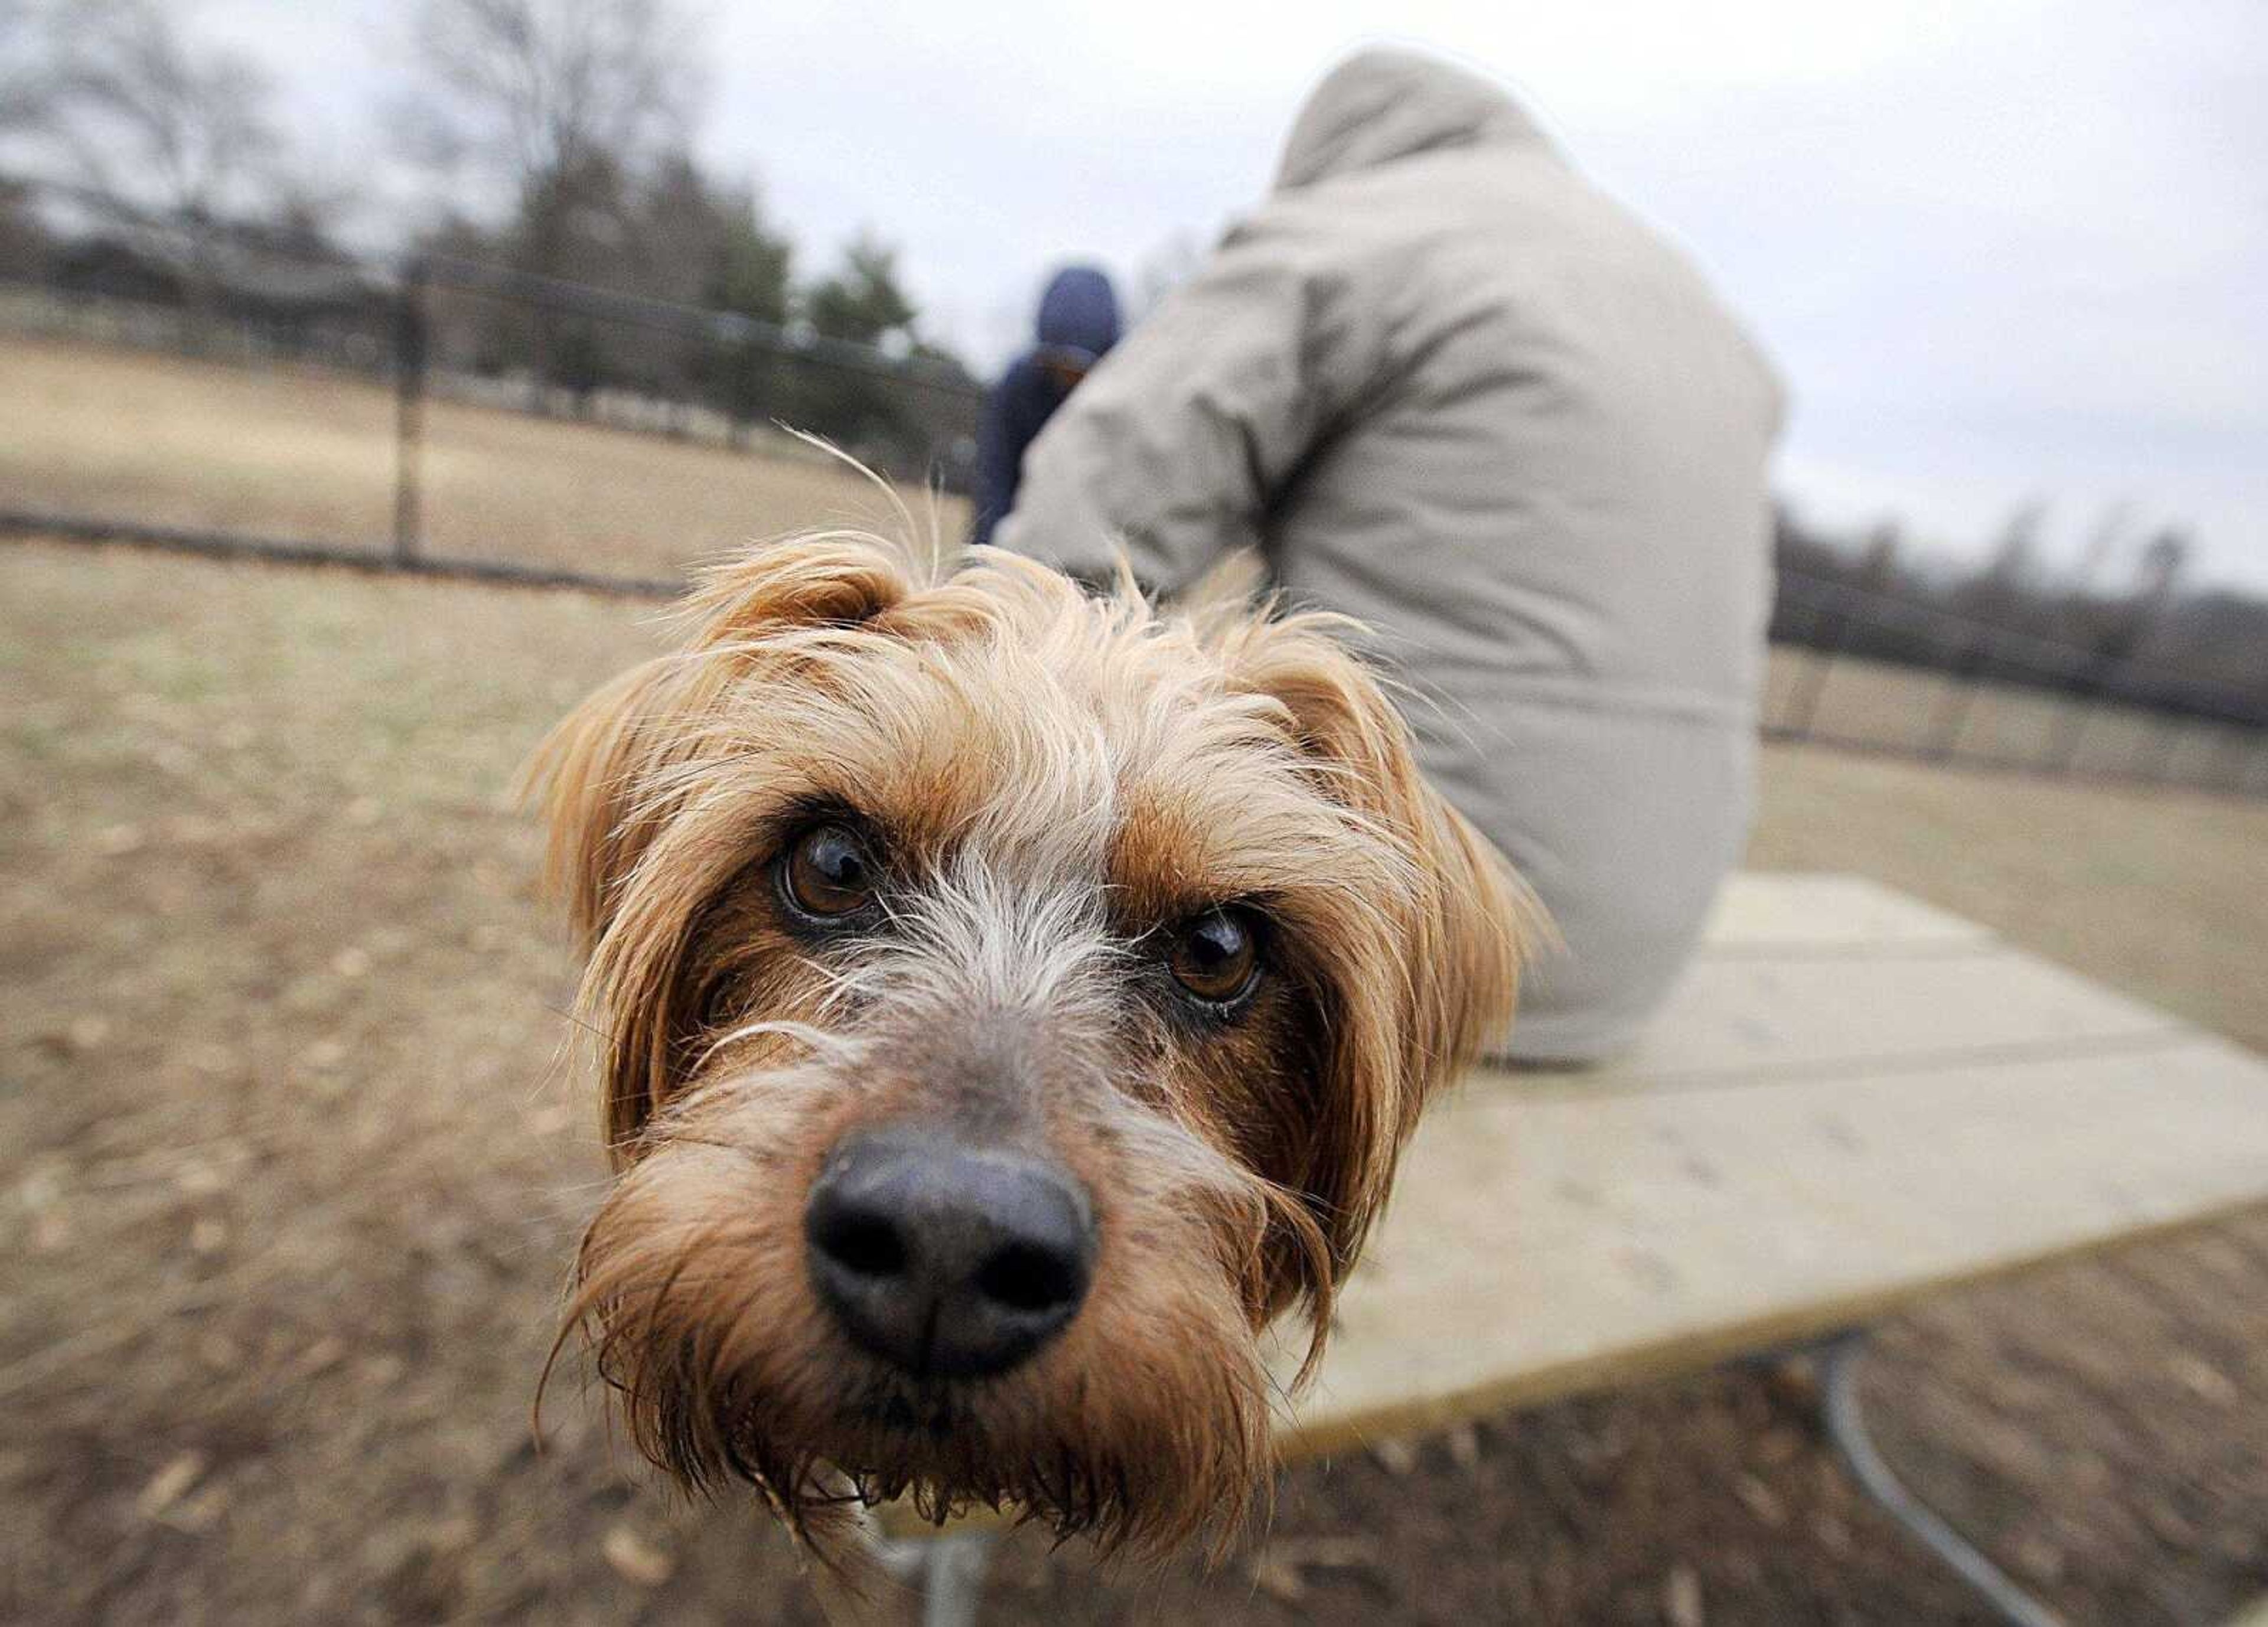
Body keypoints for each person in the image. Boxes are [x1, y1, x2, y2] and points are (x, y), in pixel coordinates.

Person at [995, 48, 1785, 1063]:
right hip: (1638, 959)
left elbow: (1084, 521)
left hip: (1399, 957)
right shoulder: (1694, 304)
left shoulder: (1348, 237)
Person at [967, 265, 1122, 547]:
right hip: (1020, 534)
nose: (1068, 378)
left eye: (1080, 369)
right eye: (1058, 364)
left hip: (1094, 545)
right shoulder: (1018, 389)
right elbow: (994, 483)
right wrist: (983, 562)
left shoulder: (1126, 400)